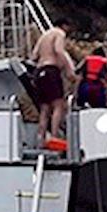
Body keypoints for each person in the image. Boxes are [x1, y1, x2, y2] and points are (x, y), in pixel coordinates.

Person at [30, 18, 75, 151]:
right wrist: (69, 70)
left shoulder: (44, 35)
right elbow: (59, 50)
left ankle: (41, 138)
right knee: (58, 105)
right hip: (51, 71)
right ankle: (54, 137)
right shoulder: (59, 33)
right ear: (64, 26)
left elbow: (34, 55)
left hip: (40, 72)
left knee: (44, 109)